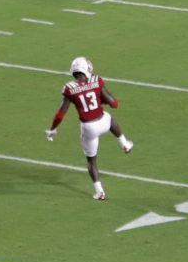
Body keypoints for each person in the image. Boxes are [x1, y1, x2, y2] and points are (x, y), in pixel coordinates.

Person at [48, 57, 130, 199]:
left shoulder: (70, 88)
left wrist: (53, 128)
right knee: (110, 119)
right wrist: (101, 99)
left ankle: (100, 192)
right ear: (86, 69)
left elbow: (61, 113)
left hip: (88, 128)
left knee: (92, 161)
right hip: (103, 122)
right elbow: (114, 103)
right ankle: (125, 144)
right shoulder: (96, 80)